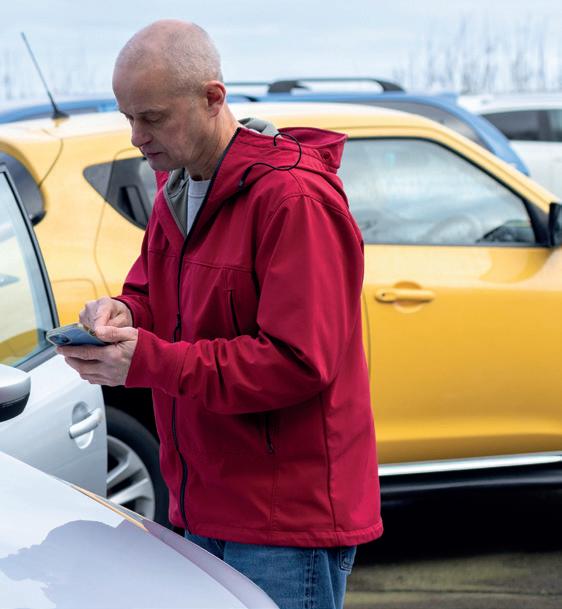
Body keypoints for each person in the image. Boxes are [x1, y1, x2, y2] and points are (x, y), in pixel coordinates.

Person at [58, 20, 382, 609]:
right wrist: (122, 313)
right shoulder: (178, 188)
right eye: (128, 117)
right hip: (202, 503)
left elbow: (296, 362)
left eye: (152, 117)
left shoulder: (294, 200)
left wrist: (149, 360)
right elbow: (153, 295)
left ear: (213, 98)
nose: (136, 137)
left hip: (284, 523)